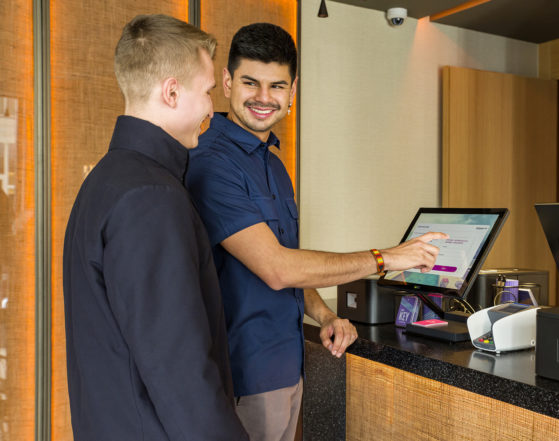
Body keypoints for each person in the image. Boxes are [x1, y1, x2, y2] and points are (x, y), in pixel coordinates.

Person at [186, 23, 445, 441]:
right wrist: (387, 257)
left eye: (277, 85)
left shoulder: (272, 162)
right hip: (243, 376)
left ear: (293, 91)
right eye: (250, 82)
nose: (264, 98)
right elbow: (277, 268)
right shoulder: (212, 163)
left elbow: (291, 262)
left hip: (288, 368)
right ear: (227, 81)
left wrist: (324, 314)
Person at [62, 14, 247, 441]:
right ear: (171, 91)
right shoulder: (151, 196)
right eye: (206, 92)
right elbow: (179, 368)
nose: (210, 107)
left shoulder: (107, 179)